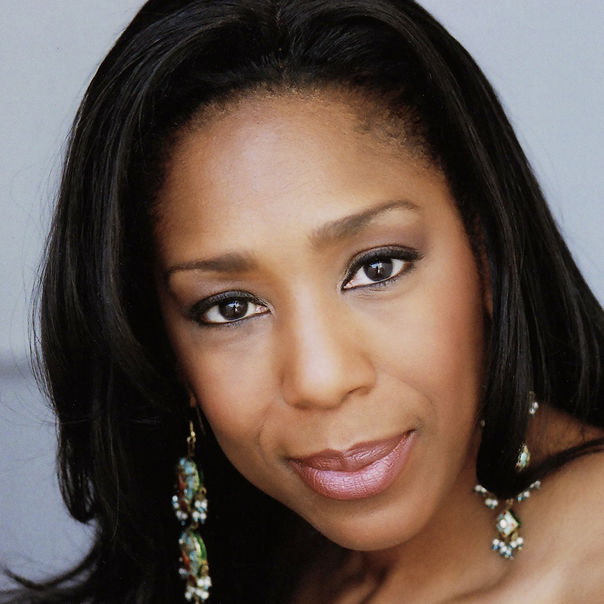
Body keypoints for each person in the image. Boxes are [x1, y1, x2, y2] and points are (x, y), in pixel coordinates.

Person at [3, 0, 604, 602]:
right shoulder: (268, 556)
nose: (320, 380)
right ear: (161, 345)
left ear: (487, 252)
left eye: (376, 268)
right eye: (231, 308)